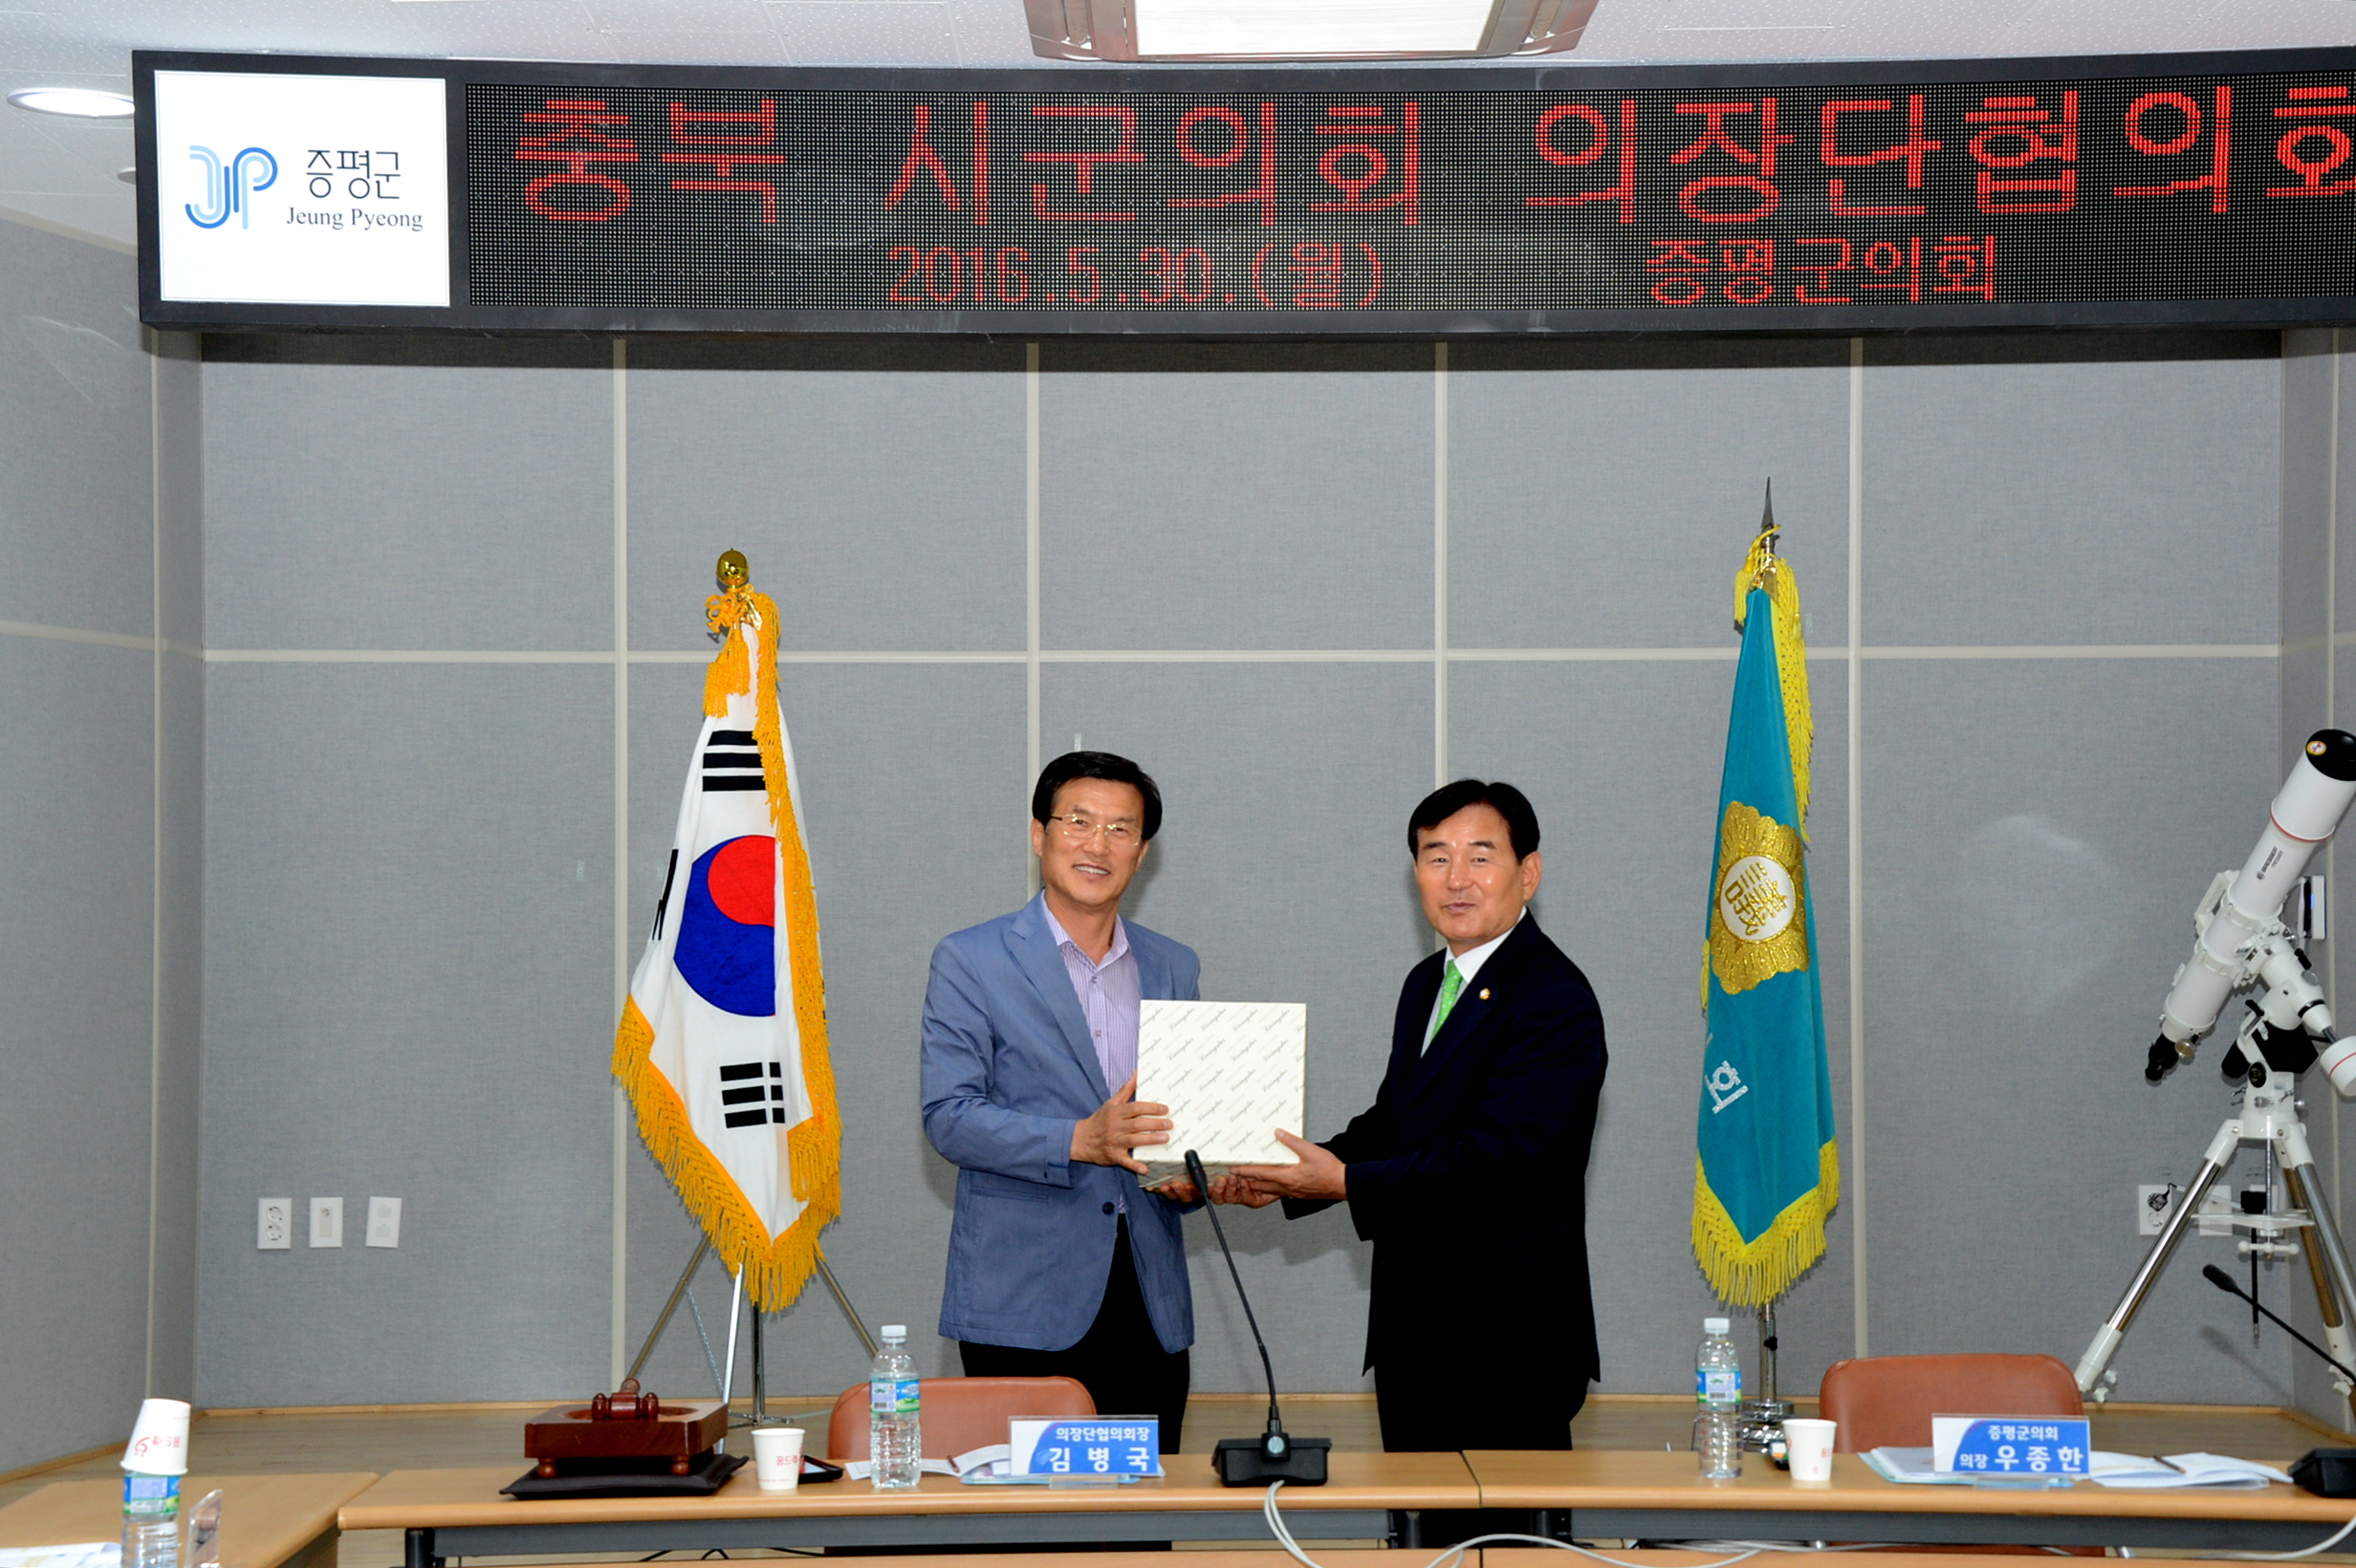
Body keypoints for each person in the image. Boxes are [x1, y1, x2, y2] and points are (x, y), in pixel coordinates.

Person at [1221, 779, 1606, 1453]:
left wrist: (1344, 1183)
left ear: (1528, 873)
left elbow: (1500, 1160)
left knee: (1505, 1524)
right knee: (1418, 1521)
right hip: (1416, 1332)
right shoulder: (1428, 982)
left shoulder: (1553, 997)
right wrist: (1282, 1173)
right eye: (1436, 857)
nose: (1457, 879)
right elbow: (1394, 1124)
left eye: (1480, 856)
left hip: (1507, 1341)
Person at [920, 751, 1201, 1446]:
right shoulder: (971, 959)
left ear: (1142, 852)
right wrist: (1081, 1139)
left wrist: (1196, 1173)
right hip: (1025, 1300)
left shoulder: (1174, 964)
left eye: (1120, 829)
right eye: (1078, 822)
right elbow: (949, 1117)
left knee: (1145, 1506)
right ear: (1039, 835)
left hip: (1149, 1299)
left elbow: (1179, 1118)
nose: (1097, 844)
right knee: (1030, 1508)